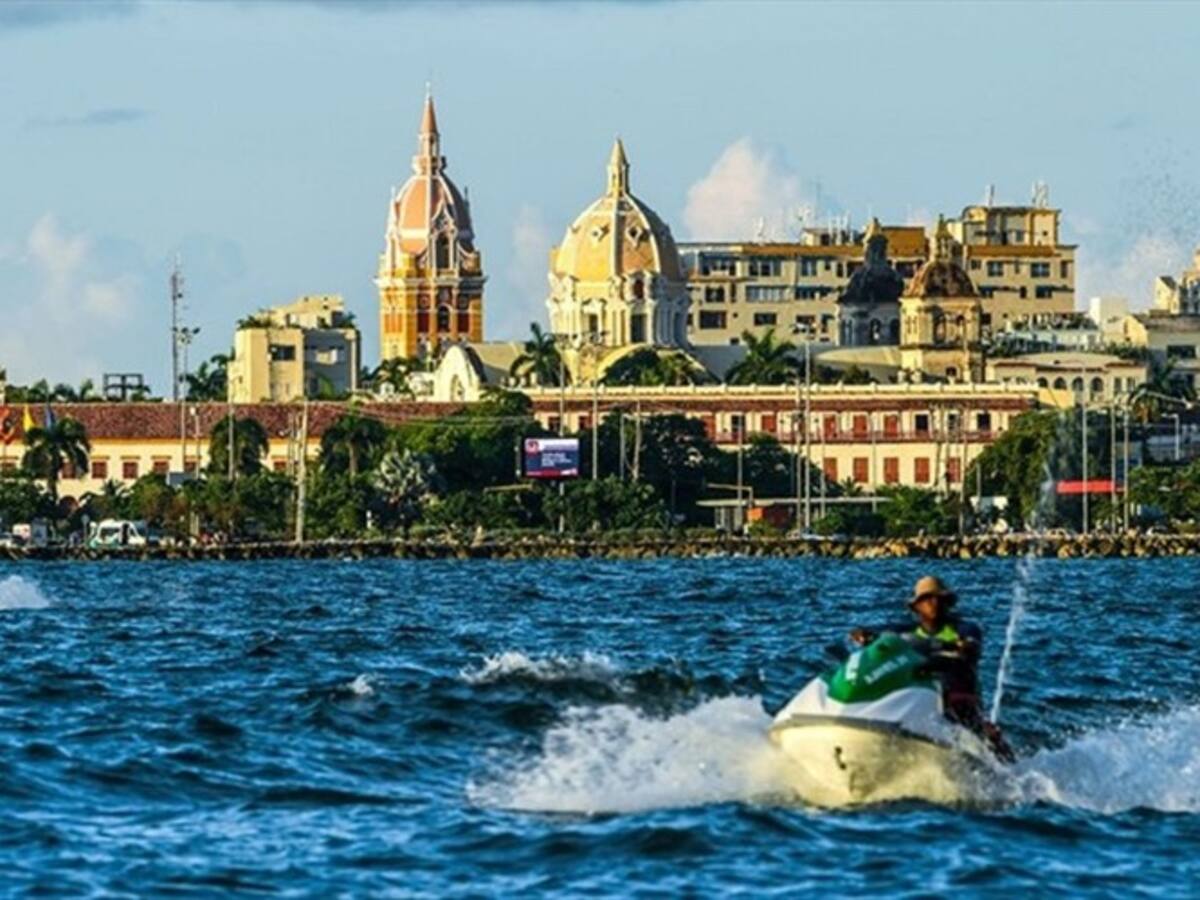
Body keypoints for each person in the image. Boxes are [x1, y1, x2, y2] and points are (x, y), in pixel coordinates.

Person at [851, 575, 1012, 760]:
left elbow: (970, 647)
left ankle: (1001, 763)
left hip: (959, 698)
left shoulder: (965, 628)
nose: (934, 603)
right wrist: (865, 636)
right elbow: (880, 635)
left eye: (939, 598)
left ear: (947, 603)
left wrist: (961, 648)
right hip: (920, 695)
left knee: (985, 733)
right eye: (927, 598)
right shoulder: (906, 631)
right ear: (917, 606)